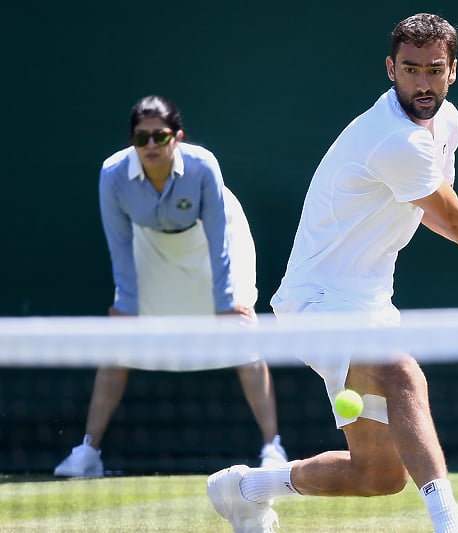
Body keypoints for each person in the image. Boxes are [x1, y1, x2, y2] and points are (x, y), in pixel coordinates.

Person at [207, 13, 458, 533]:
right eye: (410, 69)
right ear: (390, 69)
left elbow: (433, 209)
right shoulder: (393, 138)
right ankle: (451, 525)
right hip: (318, 302)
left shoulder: (447, 124)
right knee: (402, 373)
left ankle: (244, 490)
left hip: (372, 306)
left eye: (434, 70)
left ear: (452, 71)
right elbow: (449, 215)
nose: (422, 83)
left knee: (376, 474)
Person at [54, 95, 287, 478]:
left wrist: (226, 302)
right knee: (118, 344)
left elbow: (217, 235)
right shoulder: (113, 174)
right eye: (141, 138)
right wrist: (126, 307)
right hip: (151, 246)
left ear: (176, 137)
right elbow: (119, 242)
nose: (149, 146)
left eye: (159, 137)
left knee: (246, 337)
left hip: (217, 239)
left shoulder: (202, 166)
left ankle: (272, 448)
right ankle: (88, 452)